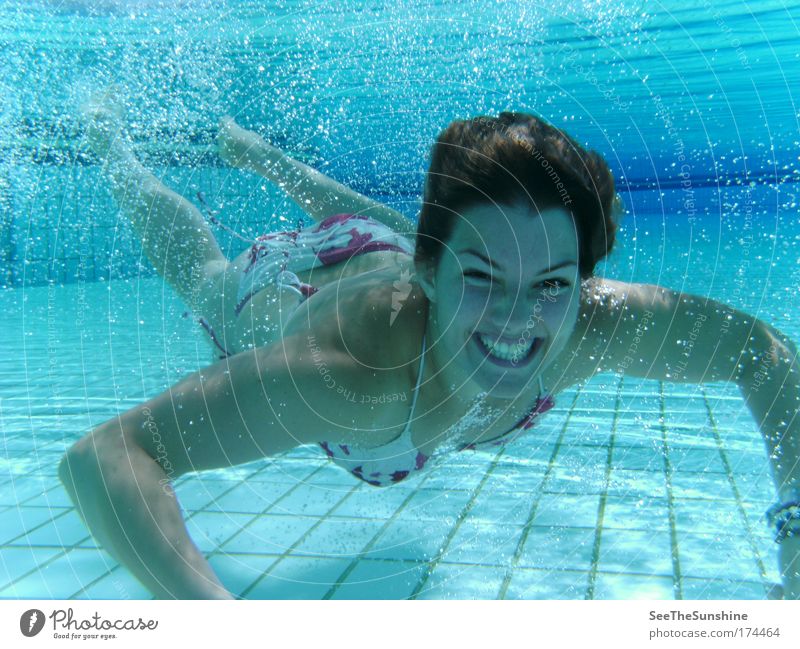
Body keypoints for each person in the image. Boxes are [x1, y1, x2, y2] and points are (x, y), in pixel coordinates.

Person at [59, 102, 800, 599]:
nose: (517, 318)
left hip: (392, 253)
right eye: (482, 279)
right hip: (291, 292)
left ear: (583, 281)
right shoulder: (354, 379)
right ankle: (115, 151)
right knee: (206, 275)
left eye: (551, 283)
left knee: (386, 223)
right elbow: (105, 454)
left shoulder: (595, 325)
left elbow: (764, 353)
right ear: (432, 273)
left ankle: (261, 155)